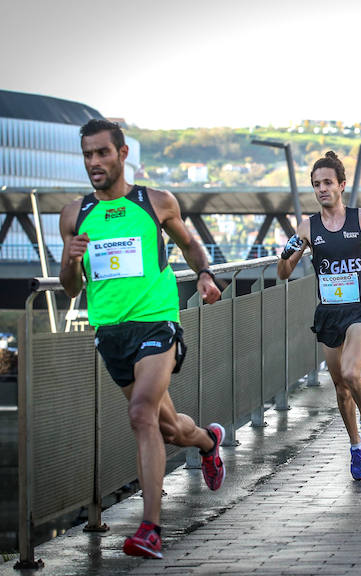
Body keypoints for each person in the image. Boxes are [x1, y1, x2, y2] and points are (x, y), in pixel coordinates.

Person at [59, 119, 225, 560]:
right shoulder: (75, 215)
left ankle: (150, 528)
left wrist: (205, 274)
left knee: (139, 414)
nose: (94, 162)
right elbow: (71, 288)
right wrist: (70, 260)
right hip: (111, 333)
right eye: (88, 155)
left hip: (156, 323)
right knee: (166, 427)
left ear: (122, 153)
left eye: (102, 153)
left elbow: (189, 245)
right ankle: (209, 441)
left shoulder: (154, 202)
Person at [277, 151, 361, 480]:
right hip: (328, 314)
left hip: (360, 310)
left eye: (327, 183)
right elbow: (284, 272)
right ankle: (355, 446)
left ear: (341, 185)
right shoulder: (308, 226)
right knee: (340, 389)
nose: (321, 189)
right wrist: (286, 252)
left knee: (352, 373)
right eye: (315, 185)